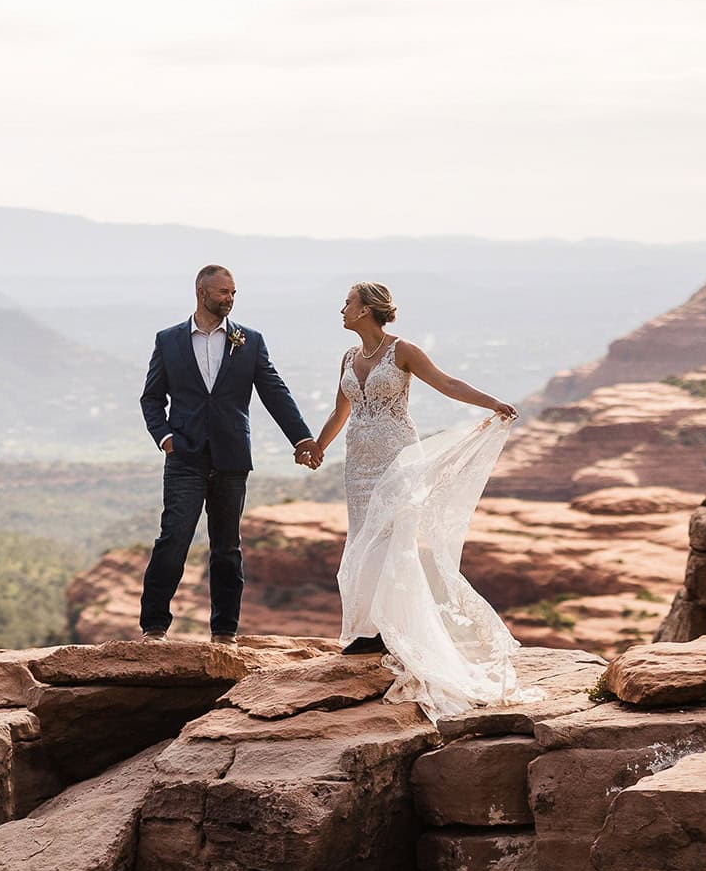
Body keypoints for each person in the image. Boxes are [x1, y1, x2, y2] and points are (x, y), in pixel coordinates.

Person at [303, 281, 530, 720]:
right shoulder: (349, 358)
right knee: (363, 540)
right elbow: (340, 411)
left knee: (391, 542)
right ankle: (368, 630)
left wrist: (492, 403)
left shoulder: (402, 351)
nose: (342, 309)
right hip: (359, 463)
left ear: (368, 310)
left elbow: (446, 382)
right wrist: (320, 445)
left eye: (348, 303)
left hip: (397, 458)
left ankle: (392, 630)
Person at [138, 265, 319, 642]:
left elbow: (275, 392)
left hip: (232, 457)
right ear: (201, 292)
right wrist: (165, 438)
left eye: (233, 293)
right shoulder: (168, 340)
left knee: (226, 547)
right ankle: (154, 628)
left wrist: (301, 438)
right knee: (173, 539)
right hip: (184, 456)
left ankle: (224, 632)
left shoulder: (249, 341)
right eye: (223, 292)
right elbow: (152, 398)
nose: (230, 299)